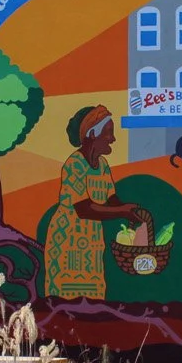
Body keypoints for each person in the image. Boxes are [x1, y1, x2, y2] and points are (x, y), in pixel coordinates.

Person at [41, 105, 140, 298]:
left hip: (92, 239)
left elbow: (111, 198)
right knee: (66, 297)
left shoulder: (102, 165)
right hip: (67, 238)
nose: (113, 139)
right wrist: (122, 212)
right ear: (93, 134)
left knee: (93, 297)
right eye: (109, 132)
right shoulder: (74, 165)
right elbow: (84, 209)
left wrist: (130, 212)